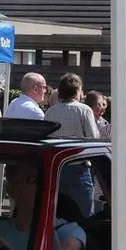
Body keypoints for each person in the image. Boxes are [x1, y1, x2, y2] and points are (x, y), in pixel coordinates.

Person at [0, 159, 84, 250]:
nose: (45, 186)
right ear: (11, 190)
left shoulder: (67, 231)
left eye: (47, 180)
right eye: (34, 180)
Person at [46, 73, 101, 216]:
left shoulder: (50, 112)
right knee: (84, 216)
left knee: (58, 215)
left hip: (56, 168)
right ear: (77, 90)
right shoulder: (84, 110)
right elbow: (93, 138)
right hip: (78, 167)